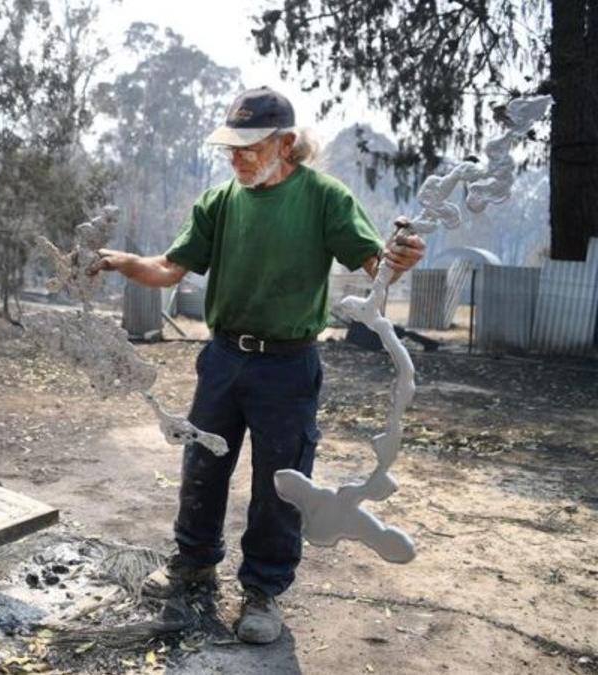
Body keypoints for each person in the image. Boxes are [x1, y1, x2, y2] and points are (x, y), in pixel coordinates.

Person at [90, 87, 425, 645]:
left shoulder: (324, 198)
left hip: (288, 367)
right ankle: (193, 564)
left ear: (285, 143)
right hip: (222, 359)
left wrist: (398, 258)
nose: (236, 157)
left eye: (249, 147)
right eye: (232, 147)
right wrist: (121, 262)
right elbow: (170, 269)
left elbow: (375, 266)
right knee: (202, 466)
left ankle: (262, 590)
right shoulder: (220, 202)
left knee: (282, 484)